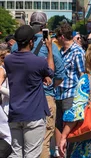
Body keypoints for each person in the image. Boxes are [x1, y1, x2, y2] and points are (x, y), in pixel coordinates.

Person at [13, 12, 66, 158]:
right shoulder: (49, 46)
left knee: (19, 146)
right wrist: (48, 86)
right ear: (45, 26)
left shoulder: (15, 48)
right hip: (44, 99)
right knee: (43, 143)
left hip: (19, 100)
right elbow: (60, 74)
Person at [5, 25, 54, 158]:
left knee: (16, 153)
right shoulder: (38, 62)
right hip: (33, 114)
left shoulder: (8, 60)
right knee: (32, 154)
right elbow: (51, 71)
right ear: (31, 42)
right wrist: (49, 49)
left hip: (15, 113)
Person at [53, 23, 86, 158]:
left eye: (56, 37)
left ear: (62, 37)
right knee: (59, 124)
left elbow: (82, 74)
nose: (55, 39)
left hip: (71, 94)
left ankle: (71, 153)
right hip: (60, 93)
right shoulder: (61, 52)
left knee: (70, 126)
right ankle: (60, 153)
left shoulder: (77, 52)